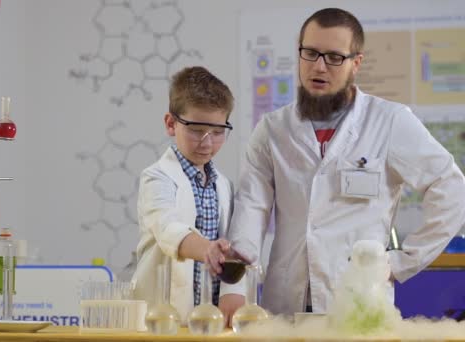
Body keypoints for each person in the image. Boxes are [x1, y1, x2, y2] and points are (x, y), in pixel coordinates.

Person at [206, 8, 465, 316]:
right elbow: (251, 209)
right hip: (286, 304)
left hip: (358, 304)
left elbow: (452, 189)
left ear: (356, 63)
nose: (319, 66)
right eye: (310, 53)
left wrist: (400, 261)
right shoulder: (273, 130)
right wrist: (233, 289)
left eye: (334, 57)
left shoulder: (389, 122)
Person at [132, 66, 245, 324]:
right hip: (161, 318)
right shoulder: (157, 177)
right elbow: (168, 227)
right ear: (171, 124)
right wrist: (208, 249)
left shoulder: (223, 185)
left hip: (209, 320)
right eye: (196, 130)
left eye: (218, 132)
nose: (207, 142)